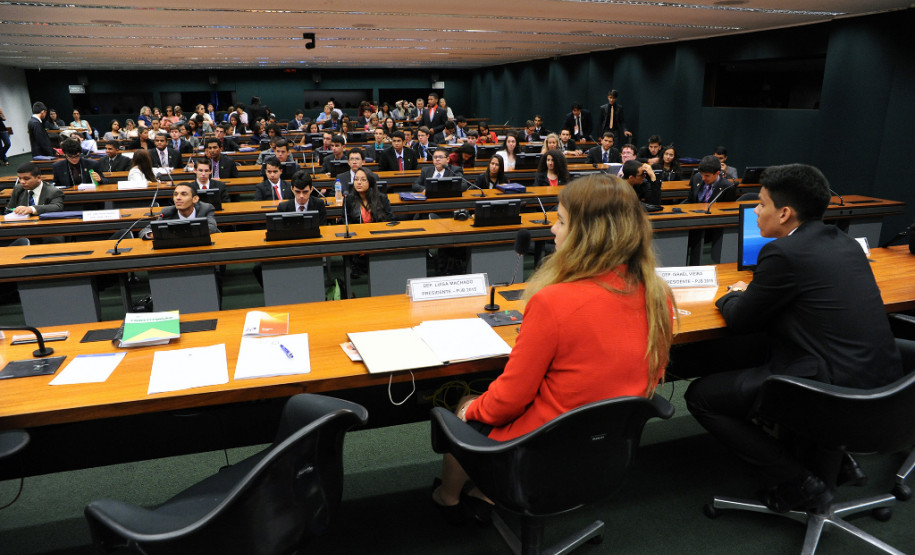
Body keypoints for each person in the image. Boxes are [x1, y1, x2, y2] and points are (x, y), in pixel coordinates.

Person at [432, 174, 674, 523]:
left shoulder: (554, 301)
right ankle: (482, 491)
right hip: (604, 453)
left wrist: (469, 412)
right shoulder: (658, 294)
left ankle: (448, 499)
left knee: (466, 404)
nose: (552, 230)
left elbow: (508, 401)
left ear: (587, 234)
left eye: (561, 221)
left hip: (536, 454)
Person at [685, 164, 903, 514]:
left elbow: (740, 319)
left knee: (700, 396)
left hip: (833, 396)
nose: (755, 211)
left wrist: (731, 294)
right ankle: (838, 460)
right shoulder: (846, 243)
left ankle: (799, 482)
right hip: (884, 391)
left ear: (784, 213)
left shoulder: (783, 253)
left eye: (760, 204)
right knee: (767, 351)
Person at [685, 155, 737, 263]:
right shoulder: (697, 178)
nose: (703, 178)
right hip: (692, 219)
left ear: (718, 173)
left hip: (711, 227)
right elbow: (690, 201)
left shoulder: (727, 187)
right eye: (702, 175)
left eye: (707, 176)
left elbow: (727, 214)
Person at [141, 183, 218, 239]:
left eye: (183, 194)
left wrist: (174, 233)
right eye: (175, 194)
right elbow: (144, 231)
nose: (178, 198)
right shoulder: (167, 212)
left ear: (195, 199)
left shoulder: (205, 208)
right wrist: (152, 234)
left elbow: (211, 227)